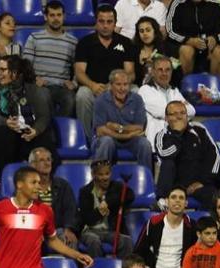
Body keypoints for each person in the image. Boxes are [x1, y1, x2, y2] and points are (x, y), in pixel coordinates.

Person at [0, 55, 55, 176]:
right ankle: (2, 177)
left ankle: (49, 181)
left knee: (45, 137)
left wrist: (35, 131)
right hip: (7, 130)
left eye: (3, 70)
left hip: (29, 131)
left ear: (15, 73)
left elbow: (44, 116)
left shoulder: (32, 89)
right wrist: (5, 122)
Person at [75, 4, 137, 140]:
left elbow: (130, 72)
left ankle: (130, 136)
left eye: (109, 22)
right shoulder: (84, 43)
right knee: (82, 95)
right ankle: (88, 139)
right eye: (101, 21)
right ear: (96, 22)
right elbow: (79, 72)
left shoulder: (125, 43)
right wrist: (93, 86)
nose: (105, 25)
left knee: (137, 91)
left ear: (115, 23)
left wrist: (117, 86)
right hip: (93, 88)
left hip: (119, 87)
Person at [154, 100, 220, 210]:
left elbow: (214, 156)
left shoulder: (199, 130)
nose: (179, 117)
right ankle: (162, 201)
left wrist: (202, 182)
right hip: (173, 186)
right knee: (168, 164)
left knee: (217, 198)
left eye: (182, 113)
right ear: (166, 118)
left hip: (198, 183)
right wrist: (177, 134)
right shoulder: (162, 135)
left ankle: (205, 225)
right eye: (174, 114)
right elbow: (165, 155)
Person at [134, 185, 196, 268]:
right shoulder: (153, 223)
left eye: (181, 198)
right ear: (166, 201)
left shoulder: (192, 226)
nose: (177, 200)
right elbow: (138, 251)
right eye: (173, 197)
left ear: (186, 203)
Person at [23, 1, 78, 118]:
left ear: (64, 16)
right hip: (40, 86)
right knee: (43, 97)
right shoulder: (34, 38)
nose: (56, 19)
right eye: (52, 15)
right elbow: (25, 65)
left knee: (71, 99)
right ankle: (49, 133)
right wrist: (34, 78)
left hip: (62, 87)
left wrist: (74, 83)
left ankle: (61, 132)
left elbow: (78, 68)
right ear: (45, 17)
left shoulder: (72, 42)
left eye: (59, 15)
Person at [91, 69, 152, 168]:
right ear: (111, 85)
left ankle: (146, 179)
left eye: (125, 84)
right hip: (108, 139)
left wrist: (117, 127)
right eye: (118, 84)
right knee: (106, 141)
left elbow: (139, 128)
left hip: (131, 140)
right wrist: (127, 135)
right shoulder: (101, 100)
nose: (122, 88)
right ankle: (99, 180)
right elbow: (101, 131)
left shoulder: (137, 99)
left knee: (144, 144)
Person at [77, 159, 136, 259]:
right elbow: (87, 219)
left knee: (126, 241)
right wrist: (99, 212)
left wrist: (108, 202)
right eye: (100, 174)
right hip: (90, 231)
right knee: (94, 241)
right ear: (93, 175)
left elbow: (130, 195)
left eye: (107, 174)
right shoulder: (85, 192)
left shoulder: (117, 187)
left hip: (110, 231)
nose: (105, 178)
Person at [137, 55, 194, 148]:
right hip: (157, 142)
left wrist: (171, 113)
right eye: (160, 70)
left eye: (167, 70)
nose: (164, 73)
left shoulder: (174, 91)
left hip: (178, 139)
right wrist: (181, 111)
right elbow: (160, 112)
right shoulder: (145, 90)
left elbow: (192, 111)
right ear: (153, 72)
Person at [28, 147, 79, 249]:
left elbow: (71, 210)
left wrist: (68, 229)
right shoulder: (26, 187)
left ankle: (71, 265)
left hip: (58, 230)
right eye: (42, 160)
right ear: (33, 165)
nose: (47, 163)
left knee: (69, 240)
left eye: (48, 159)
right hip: (34, 230)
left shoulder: (63, 185)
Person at [166, 0, 220, 79]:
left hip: (208, 48)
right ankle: (186, 87)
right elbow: (170, 31)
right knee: (187, 51)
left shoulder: (216, 3)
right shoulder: (177, 3)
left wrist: (215, 38)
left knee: (219, 51)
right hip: (183, 45)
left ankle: (216, 88)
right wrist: (188, 40)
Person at [132, 17, 178, 87]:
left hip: (165, 87)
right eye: (141, 31)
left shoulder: (167, 48)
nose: (145, 33)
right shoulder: (134, 50)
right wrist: (141, 64)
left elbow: (176, 69)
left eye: (148, 30)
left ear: (155, 31)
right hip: (140, 88)